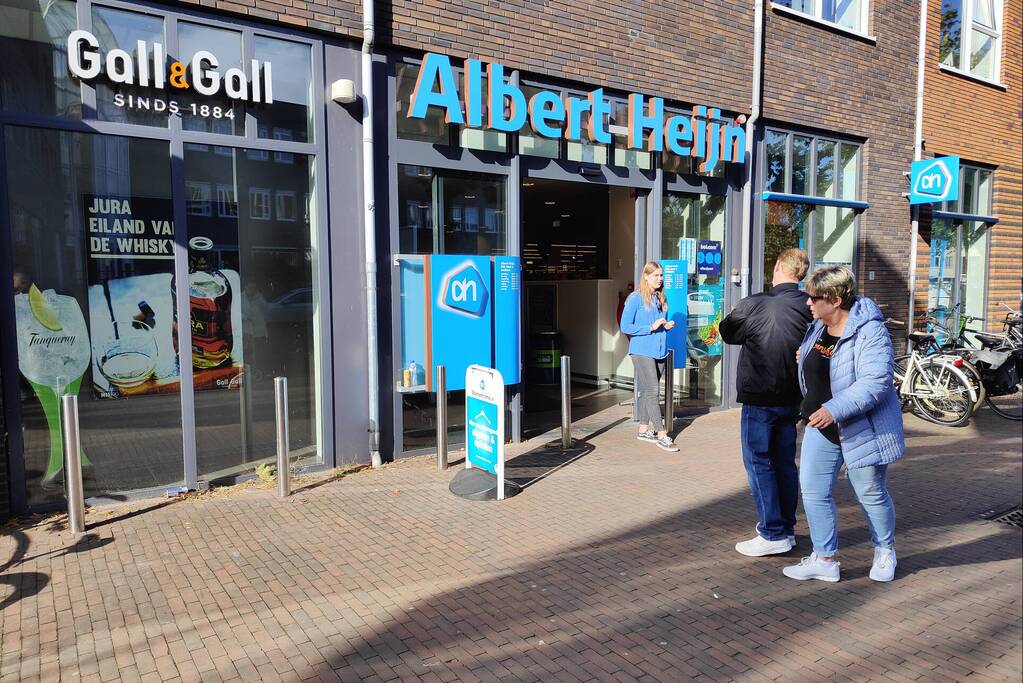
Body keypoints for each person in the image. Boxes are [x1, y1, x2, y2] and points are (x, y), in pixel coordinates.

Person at [783, 266, 903, 583]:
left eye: (814, 298)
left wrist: (833, 409)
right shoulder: (818, 325)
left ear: (835, 300)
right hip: (819, 426)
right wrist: (805, 356)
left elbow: (875, 383)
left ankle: (885, 551)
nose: (808, 303)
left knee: (870, 492)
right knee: (812, 491)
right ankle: (824, 559)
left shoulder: (870, 332)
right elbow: (822, 360)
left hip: (861, 428)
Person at [719, 248, 812, 557]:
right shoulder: (809, 306)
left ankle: (772, 532)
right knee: (785, 462)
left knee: (758, 461)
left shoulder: (755, 303)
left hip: (760, 398)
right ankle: (786, 528)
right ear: (801, 274)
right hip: (793, 399)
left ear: (776, 268)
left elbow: (728, 332)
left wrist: (736, 312)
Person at [620, 261, 680, 452]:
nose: (660, 279)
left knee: (648, 391)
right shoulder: (635, 298)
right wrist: (650, 328)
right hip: (641, 350)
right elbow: (625, 326)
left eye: (661, 276)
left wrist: (665, 325)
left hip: (659, 350)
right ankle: (661, 434)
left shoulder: (661, 297)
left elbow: (659, 321)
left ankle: (644, 429)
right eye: (656, 276)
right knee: (653, 390)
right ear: (646, 276)